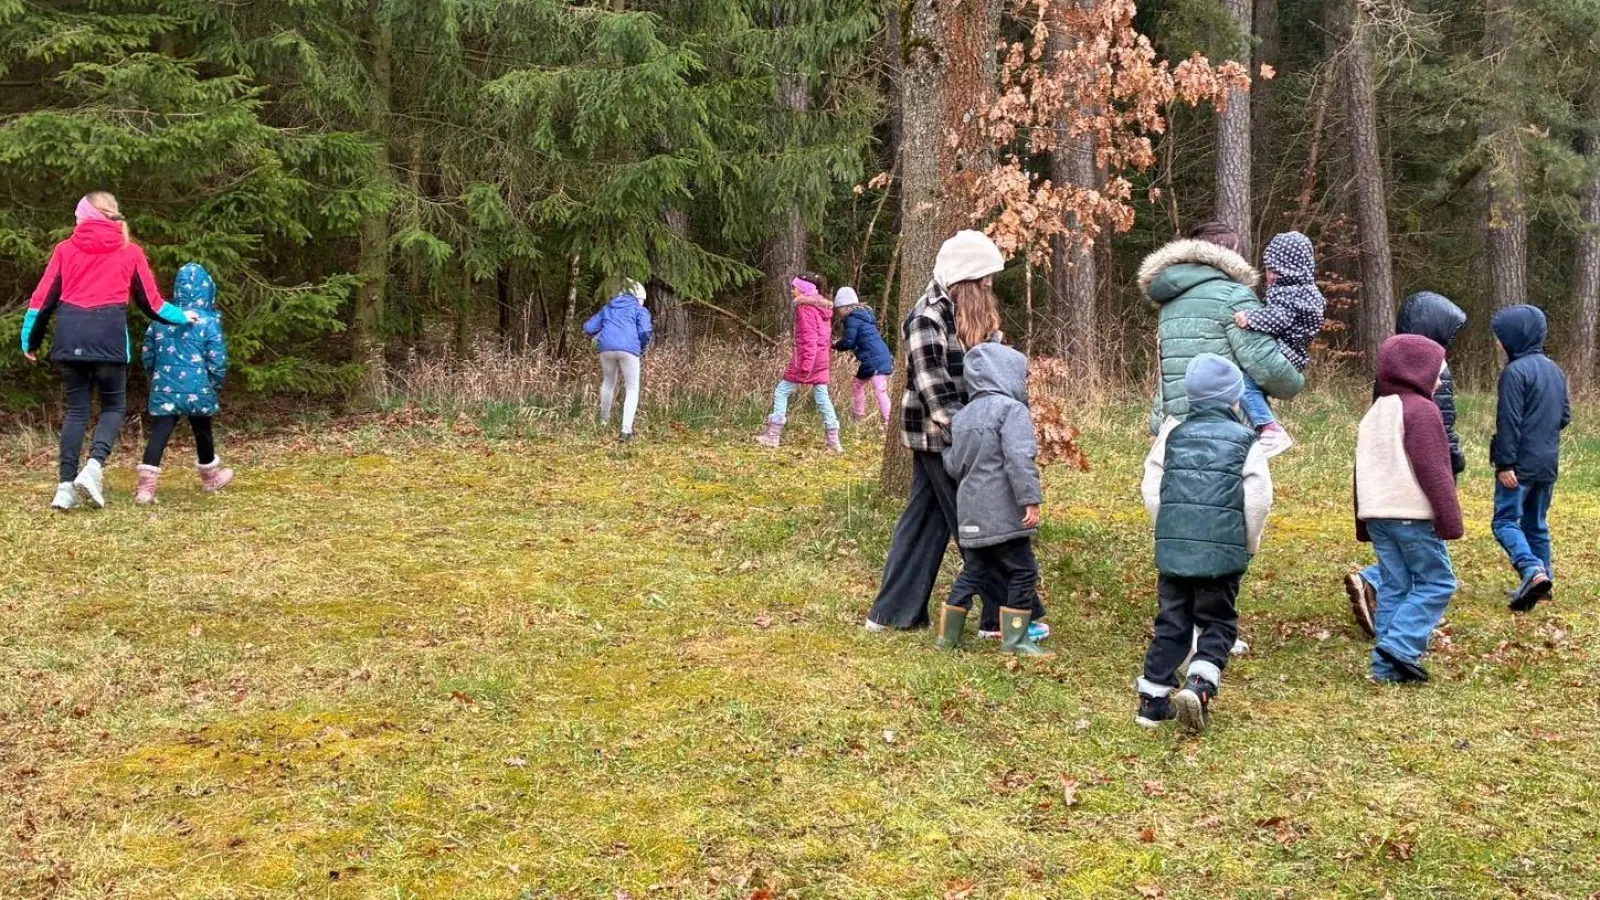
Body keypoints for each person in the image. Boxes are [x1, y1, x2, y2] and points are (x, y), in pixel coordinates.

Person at [21, 192, 198, 510]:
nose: (75, 221)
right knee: (113, 407)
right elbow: (152, 304)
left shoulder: (65, 249)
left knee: (76, 412)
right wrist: (184, 317)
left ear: (86, 216)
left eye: (77, 216)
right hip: (109, 338)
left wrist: (30, 340)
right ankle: (93, 467)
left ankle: (64, 488)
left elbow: (42, 299)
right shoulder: (130, 251)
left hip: (69, 336)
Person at [864, 231, 1004, 631]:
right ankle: (1007, 612)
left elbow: (991, 372)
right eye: (984, 279)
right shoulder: (926, 316)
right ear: (965, 277)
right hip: (937, 435)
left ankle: (891, 614)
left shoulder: (974, 315)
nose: (990, 287)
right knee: (977, 520)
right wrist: (971, 431)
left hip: (966, 433)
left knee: (924, 522)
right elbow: (933, 386)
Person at [1135, 355, 1272, 733]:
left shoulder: (1171, 434)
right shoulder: (1247, 441)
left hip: (1175, 551)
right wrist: (1248, 544)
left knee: (1172, 624)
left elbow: (1151, 489)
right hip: (1222, 554)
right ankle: (1200, 684)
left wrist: (1169, 529)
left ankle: (1152, 701)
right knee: (1218, 623)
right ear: (1234, 400)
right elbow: (1258, 499)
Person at [1343, 291, 1467, 637]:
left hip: (1384, 486)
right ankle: (1400, 641)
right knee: (1433, 571)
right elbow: (1438, 427)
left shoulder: (1391, 368)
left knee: (1401, 565)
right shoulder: (1428, 372)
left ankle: (1388, 643)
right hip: (1414, 480)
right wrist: (1454, 459)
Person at [1356, 335, 1463, 684]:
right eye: (1437, 372)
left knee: (1395, 585)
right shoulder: (1421, 410)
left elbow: (1360, 471)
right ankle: (1400, 646)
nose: (1440, 379)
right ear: (1417, 370)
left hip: (1378, 515)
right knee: (1438, 581)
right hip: (1411, 514)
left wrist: (1363, 521)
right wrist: (1449, 519)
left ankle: (1385, 668)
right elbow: (1434, 470)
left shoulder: (1375, 412)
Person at [933, 339, 1050, 657]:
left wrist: (945, 452)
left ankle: (948, 635)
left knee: (975, 570)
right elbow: (1019, 458)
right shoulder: (1012, 411)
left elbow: (954, 466)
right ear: (1007, 374)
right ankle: (1016, 639)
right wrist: (1030, 498)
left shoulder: (963, 416)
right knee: (1023, 570)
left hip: (970, 512)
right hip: (1004, 512)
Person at [1140, 221, 1304, 437]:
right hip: (1229, 431)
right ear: (1228, 252)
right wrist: (1295, 379)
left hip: (1175, 429)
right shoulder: (1233, 296)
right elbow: (1267, 367)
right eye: (1240, 251)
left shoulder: (1171, 300)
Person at [1488, 305, 1571, 612]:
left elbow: (1508, 421)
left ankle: (1532, 571)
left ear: (1514, 336)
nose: (1498, 343)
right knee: (1536, 523)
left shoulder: (1514, 373)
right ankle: (1544, 586)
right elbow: (1564, 416)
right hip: (1547, 463)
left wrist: (1505, 463)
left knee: (1505, 521)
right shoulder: (1555, 370)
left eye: (1500, 337)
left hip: (1519, 466)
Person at [135, 263, 233, 503]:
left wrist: (156, 376)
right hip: (199, 389)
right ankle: (210, 478)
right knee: (202, 430)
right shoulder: (208, 322)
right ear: (208, 291)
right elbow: (217, 360)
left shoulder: (161, 319)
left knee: (160, 431)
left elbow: (148, 353)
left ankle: (146, 489)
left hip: (165, 386)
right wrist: (214, 385)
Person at [1230, 231, 1326, 456]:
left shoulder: (1290, 294)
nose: (1269, 276)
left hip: (1286, 352)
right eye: (1268, 269)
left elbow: (1280, 318)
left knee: (1243, 382)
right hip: (1294, 355)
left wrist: (1250, 318)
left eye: (1274, 270)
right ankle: (1261, 426)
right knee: (1254, 386)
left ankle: (1270, 428)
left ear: (1289, 270)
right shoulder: (1306, 291)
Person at [755, 273, 842, 453]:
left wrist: (805, 365)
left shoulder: (805, 308)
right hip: (821, 359)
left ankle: (773, 436)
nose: (792, 290)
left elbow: (809, 338)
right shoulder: (823, 308)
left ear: (804, 289)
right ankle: (834, 442)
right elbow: (823, 338)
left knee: (781, 391)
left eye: (795, 287)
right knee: (822, 396)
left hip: (807, 359)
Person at [583, 279, 654, 442]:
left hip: (606, 349)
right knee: (632, 388)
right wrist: (641, 347)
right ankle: (626, 431)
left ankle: (603, 422)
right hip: (629, 349)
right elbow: (644, 330)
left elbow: (588, 328)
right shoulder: (639, 309)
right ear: (639, 297)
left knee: (608, 383)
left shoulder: (608, 308)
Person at [831, 287, 894, 426]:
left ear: (847, 307)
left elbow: (849, 342)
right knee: (857, 384)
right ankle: (859, 416)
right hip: (876, 357)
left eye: (838, 309)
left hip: (875, 359)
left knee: (880, 389)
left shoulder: (851, 319)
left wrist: (834, 344)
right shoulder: (865, 316)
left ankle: (889, 422)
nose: (838, 313)